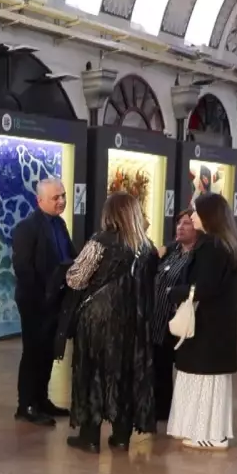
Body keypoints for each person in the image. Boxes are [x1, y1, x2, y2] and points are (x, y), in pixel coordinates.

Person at [63, 192, 156, 453]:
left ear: (110, 214)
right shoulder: (146, 247)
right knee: (124, 374)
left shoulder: (100, 241)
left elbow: (76, 279)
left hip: (98, 318)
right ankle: (121, 436)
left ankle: (90, 437)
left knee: (92, 372)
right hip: (133, 321)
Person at [167, 193, 237, 450]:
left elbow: (204, 286)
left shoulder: (211, 246)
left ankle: (208, 433)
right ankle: (205, 429)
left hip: (207, 325)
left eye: (196, 212)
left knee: (203, 377)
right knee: (207, 379)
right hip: (218, 325)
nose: (191, 217)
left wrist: (175, 292)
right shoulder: (227, 244)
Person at [11, 178, 73, 426]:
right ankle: (26, 404)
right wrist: (41, 296)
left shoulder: (60, 224)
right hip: (35, 300)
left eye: (63, 196)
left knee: (48, 352)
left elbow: (69, 254)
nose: (61, 201)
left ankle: (41, 399)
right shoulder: (28, 227)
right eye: (55, 197)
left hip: (56, 299)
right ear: (40, 201)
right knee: (33, 352)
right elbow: (23, 267)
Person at [152, 210, 198, 421]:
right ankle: (161, 409)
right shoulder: (171, 250)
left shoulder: (198, 256)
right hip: (159, 318)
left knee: (182, 368)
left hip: (181, 321)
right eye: (179, 223)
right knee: (159, 368)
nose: (181, 227)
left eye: (187, 223)